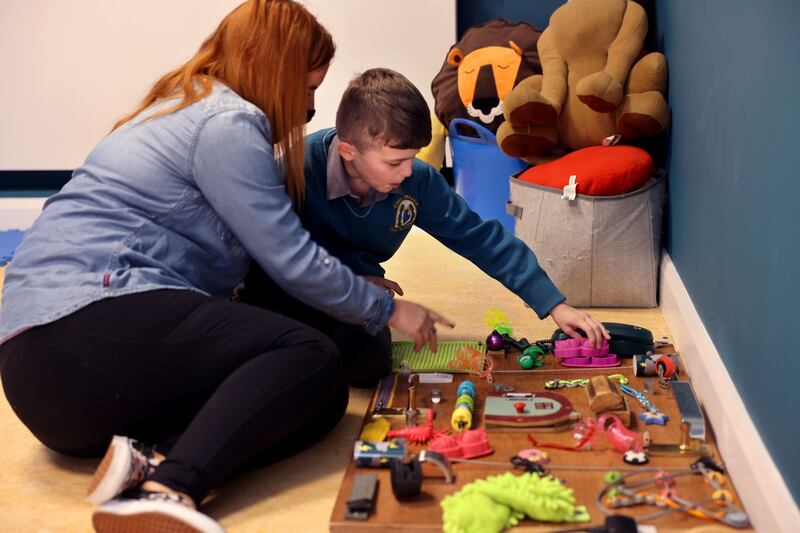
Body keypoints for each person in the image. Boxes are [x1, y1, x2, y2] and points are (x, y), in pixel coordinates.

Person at [0, 4, 451, 532]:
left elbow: (256, 274)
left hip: (53, 381)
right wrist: (387, 309)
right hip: (79, 328)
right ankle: (172, 487)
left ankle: (150, 459)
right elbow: (287, 257)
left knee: (318, 396)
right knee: (306, 353)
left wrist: (346, 291)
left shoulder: (183, 105)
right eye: (307, 88)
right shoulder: (227, 121)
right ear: (273, 70)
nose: (309, 108)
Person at [243, 67, 609, 386]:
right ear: (348, 151)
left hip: (353, 293)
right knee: (284, 355)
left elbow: (480, 238)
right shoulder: (295, 169)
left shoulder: (416, 179)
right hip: (288, 287)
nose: (407, 172)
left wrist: (555, 304)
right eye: (394, 162)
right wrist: (347, 281)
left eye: (413, 158)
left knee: (369, 364)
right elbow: (270, 259)